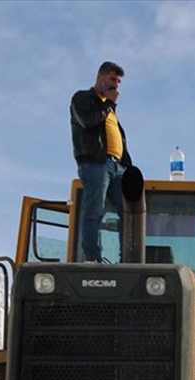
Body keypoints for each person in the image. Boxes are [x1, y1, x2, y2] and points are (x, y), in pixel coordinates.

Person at [70, 61, 132, 263]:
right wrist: (109, 104)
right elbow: (87, 121)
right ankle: (92, 257)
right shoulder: (82, 98)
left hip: (117, 167)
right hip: (96, 164)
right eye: (113, 79)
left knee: (129, 210)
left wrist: (128, 167)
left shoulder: (110, 110)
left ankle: (128, 259)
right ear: (100, 77)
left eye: (119, 81)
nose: (117, 85)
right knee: (95, 210)